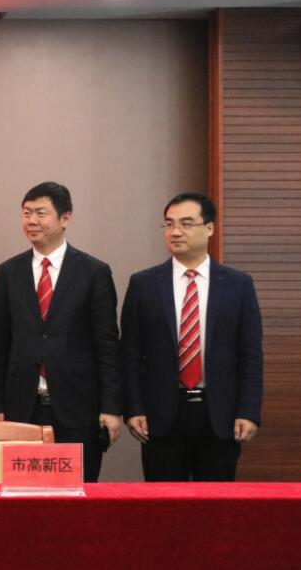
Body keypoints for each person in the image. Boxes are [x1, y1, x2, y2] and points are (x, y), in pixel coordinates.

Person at [0, 182, 122, 483]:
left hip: (78, 408)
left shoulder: (93, 272)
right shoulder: (8, 272)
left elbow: (107, 346)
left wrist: (111, 407)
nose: (32, 221)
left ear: (65, 218)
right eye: (26, 213)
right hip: (22, 408)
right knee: (23, 495)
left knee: (75, 495)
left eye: (41, 213)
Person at [121, 192, 262, 481]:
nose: (175, 232)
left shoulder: (238, 285)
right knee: (164, 503)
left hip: (219, 415)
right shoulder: (144, 284)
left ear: (209, 228)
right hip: (162, 415)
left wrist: (248, 411)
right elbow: (130, 354)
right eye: (169, 224)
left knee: (215, 503)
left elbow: (250, 355)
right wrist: (133, 408)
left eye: (186, 224)